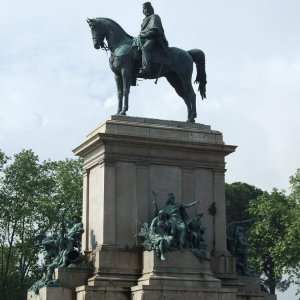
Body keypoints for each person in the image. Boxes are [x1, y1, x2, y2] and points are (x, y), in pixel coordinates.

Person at [138, 2, 168, 76]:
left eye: (148, 8)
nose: (146, 10)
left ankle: (145, 69)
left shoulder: (154, 17)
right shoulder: (144, 20)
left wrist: (144, 35)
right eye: (144, 8)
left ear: (151, 8)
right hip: (145, 38)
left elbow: (154, 31)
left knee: (145, 48)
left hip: (154, 38)